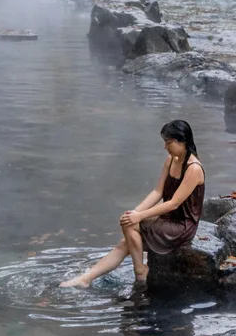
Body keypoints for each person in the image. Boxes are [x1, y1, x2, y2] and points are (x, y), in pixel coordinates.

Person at [63, 119, 205, 287]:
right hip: (166, 220)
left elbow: (174, 203)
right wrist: (135, 212)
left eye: (168, 142)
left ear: (182, 141)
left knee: (130, 226)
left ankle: (140, 271)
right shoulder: (171, 160)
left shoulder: (194, 169)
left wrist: (140, 216)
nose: (165, 147)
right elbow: (158, 191)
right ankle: (85, 279)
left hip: (181, 226)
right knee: (125, 239)